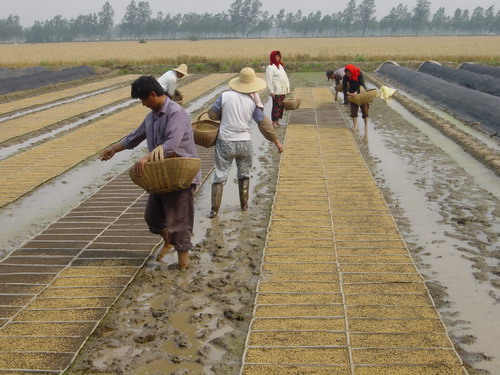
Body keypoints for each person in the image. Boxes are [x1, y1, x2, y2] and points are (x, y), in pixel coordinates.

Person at [99, 75, 200, 270]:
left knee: (179, 221)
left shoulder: (175, 113)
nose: (143, 104)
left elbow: (171, 144)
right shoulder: (152, 116)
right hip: (161, 175)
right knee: (152, 217)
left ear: (153, 95)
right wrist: (114, 149)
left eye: (143, 100)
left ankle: (183, 266)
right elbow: (134, 137)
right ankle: (168, 240)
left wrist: (146, 158)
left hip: (180, 175)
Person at [206, 67, 284, 218]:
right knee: (244, 174)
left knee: (220, 175)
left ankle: (214, 210)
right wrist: (277, 142)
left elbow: (212, 114)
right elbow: (264, 124)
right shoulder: (253, 101)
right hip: (245, 143)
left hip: (225, 142)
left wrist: (225, 115)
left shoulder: (225, 96)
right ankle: (244, 205)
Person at [265, 51, 290, 128]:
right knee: (276, 106)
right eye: (276, 56)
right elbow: (269, 79)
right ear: (272, 57)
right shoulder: (270, 67)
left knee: (281, 106)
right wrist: (271, 91)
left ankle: (278, 121)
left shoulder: (280, 66)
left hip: (282, 90)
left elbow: (285, 77)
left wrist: (287, 88)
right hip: (276, 90)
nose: (277, 58)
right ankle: (274, 122)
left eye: (278, 56)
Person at [342, 64, 369, 130]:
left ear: (352, 71)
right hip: (352, 94)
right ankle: (355, 125)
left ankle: (366, 125)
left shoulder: (359, 74)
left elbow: (362, 85)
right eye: (346, 73)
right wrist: (347, 93)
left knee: (364, 110)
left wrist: (356, 92)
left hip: (361, 93)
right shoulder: (345, 77)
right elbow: (344, 87)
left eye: (349, 73)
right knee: (353, 110)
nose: (348, 75)